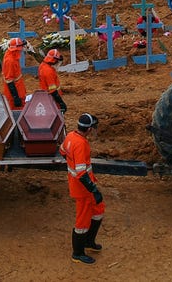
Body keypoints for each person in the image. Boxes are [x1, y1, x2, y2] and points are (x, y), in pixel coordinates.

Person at [59, 113, 104, 264]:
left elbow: (62, 151)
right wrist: (94, 190)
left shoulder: (70, 136)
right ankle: (77, 253)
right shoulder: (81, 144)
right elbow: (81, 173)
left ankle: (89, 242)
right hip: (83, 189)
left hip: (84, 186)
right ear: (89, 129)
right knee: (82, 220)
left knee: (99, 210)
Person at [2, 37, 28, 109]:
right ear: (16, 50)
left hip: (18, 88)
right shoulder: (10, 61)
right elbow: (9, 81)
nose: (21, 51)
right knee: (17, 113)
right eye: (20, 49)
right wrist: (16, 97)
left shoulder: (11, 55)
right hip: (14, 93)